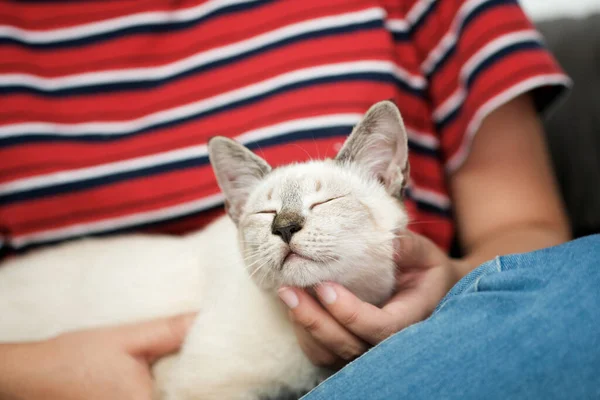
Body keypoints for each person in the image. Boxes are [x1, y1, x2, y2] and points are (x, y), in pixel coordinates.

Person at [0, 1, 597, 399]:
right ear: (234, 209)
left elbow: (530, 240)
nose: (285, 226)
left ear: (390, 174)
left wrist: (456, 283)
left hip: (416, 355)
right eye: (261, 214)